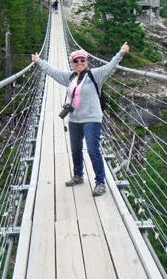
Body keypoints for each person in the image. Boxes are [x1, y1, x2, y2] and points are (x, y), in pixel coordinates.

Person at [32, 42, 129, 196]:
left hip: (92, 118)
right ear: (72, 63)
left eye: (82, 60)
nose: (79, 63)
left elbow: (110, 68)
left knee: (93, 150)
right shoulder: (69, 77)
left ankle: (100, 182)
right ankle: (78, 175)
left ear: (86, 61)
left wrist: (120, 53)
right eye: (76, 60)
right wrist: (39, 61)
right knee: (76, 149)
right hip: (74, 119)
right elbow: (53, 72)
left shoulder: (95, 75)